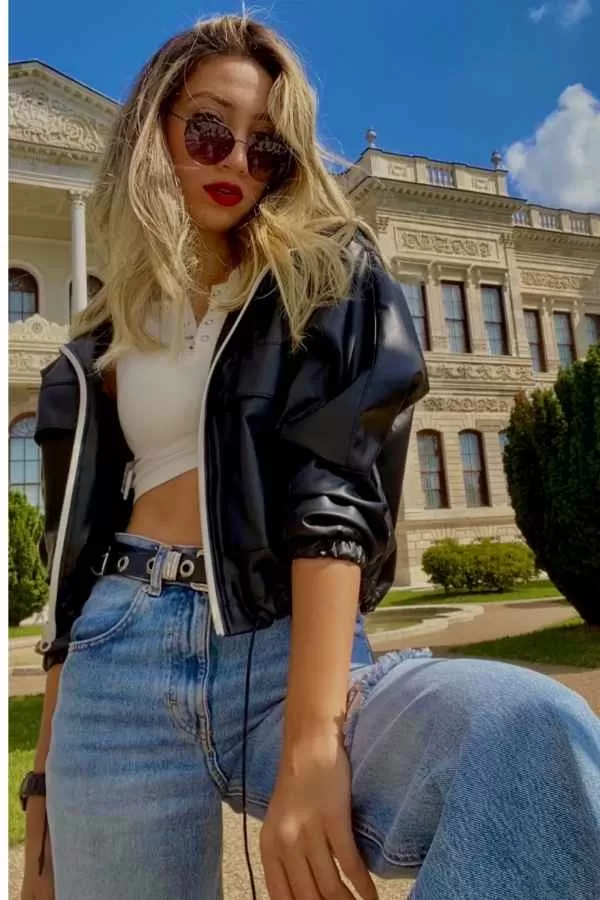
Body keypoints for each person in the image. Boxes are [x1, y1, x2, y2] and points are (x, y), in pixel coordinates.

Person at [20, 14, 600, 900]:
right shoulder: (100, 336)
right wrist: (42, 790)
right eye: (209, 129)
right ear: (156, 127)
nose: (236, 160)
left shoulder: (324, 272)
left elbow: (332, 491)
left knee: (529, 731)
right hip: (116, 656)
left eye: (268, 147)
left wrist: (312, 742)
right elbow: (72, 565)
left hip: (290, 646)